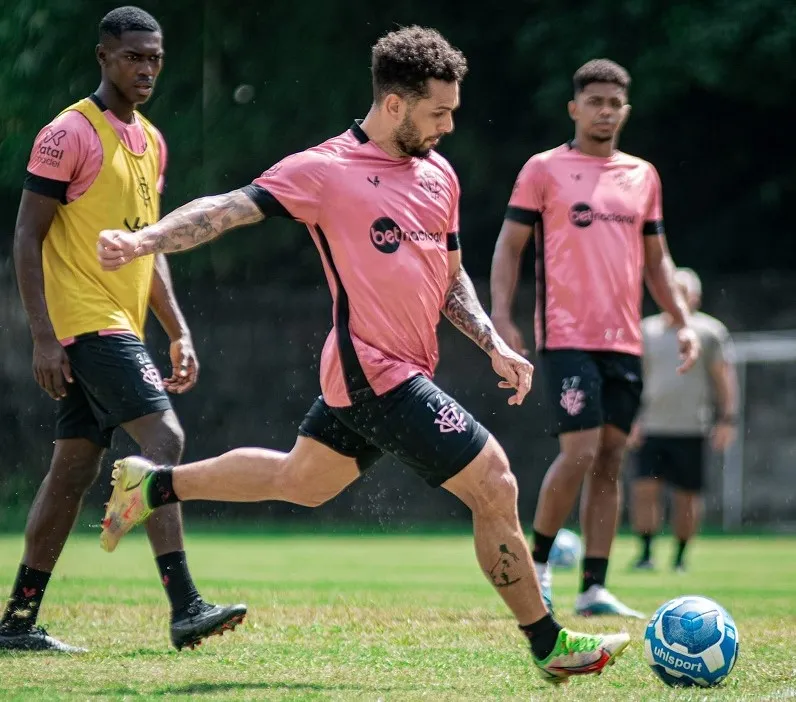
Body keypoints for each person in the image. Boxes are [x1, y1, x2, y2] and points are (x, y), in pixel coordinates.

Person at [95, 27, 629, 683]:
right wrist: (144, 240)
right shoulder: (326, 170)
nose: (450, 125)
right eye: (439, 112)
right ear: (396, 104)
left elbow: (450, 274)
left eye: (454, 111)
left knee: (302, 481)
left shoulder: (439, 174)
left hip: (388, 371)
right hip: (374, 373)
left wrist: (491, 341)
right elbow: (226, 210)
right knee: (495, 480)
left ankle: (151, 483)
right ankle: (548, 643)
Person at [0, 6, 246, 653]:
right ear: (104, 56)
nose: (145, 68)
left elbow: (149, 244)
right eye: (133, 56)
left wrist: (178, 329)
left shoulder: (153, 142)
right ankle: (185, 603)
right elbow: (26, 237)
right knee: (164, 439)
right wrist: (44, 336)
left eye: (154, 58)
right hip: (90, 324)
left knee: (71, 474)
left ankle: (17, 623)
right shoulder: (68, 134)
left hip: (121, 322)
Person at [490, 59, 701, 618]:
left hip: (624, 343)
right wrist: (501, 317)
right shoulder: (544, 170)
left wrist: (681, 322)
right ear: (574, 108)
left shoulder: (643, 176)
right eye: (595, 102)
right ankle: (536, 567)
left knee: (609, 459)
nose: (605, 111)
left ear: (625, 110)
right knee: (579, 451)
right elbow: (509, 246)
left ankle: (593, 587)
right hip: (566, 337)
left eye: (614, 103)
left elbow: (658, 263)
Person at [628, 268, 737, 572]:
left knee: (687, 496)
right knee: (644, 490)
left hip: (691, 427)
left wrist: (727, 419)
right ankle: (646, 553)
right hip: (651, 425)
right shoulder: (646, 330)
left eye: (682, 291)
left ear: (696, 297)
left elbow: (723, 378)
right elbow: (635, 378)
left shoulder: (710, 331)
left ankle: (679, 557)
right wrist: (631, 420)